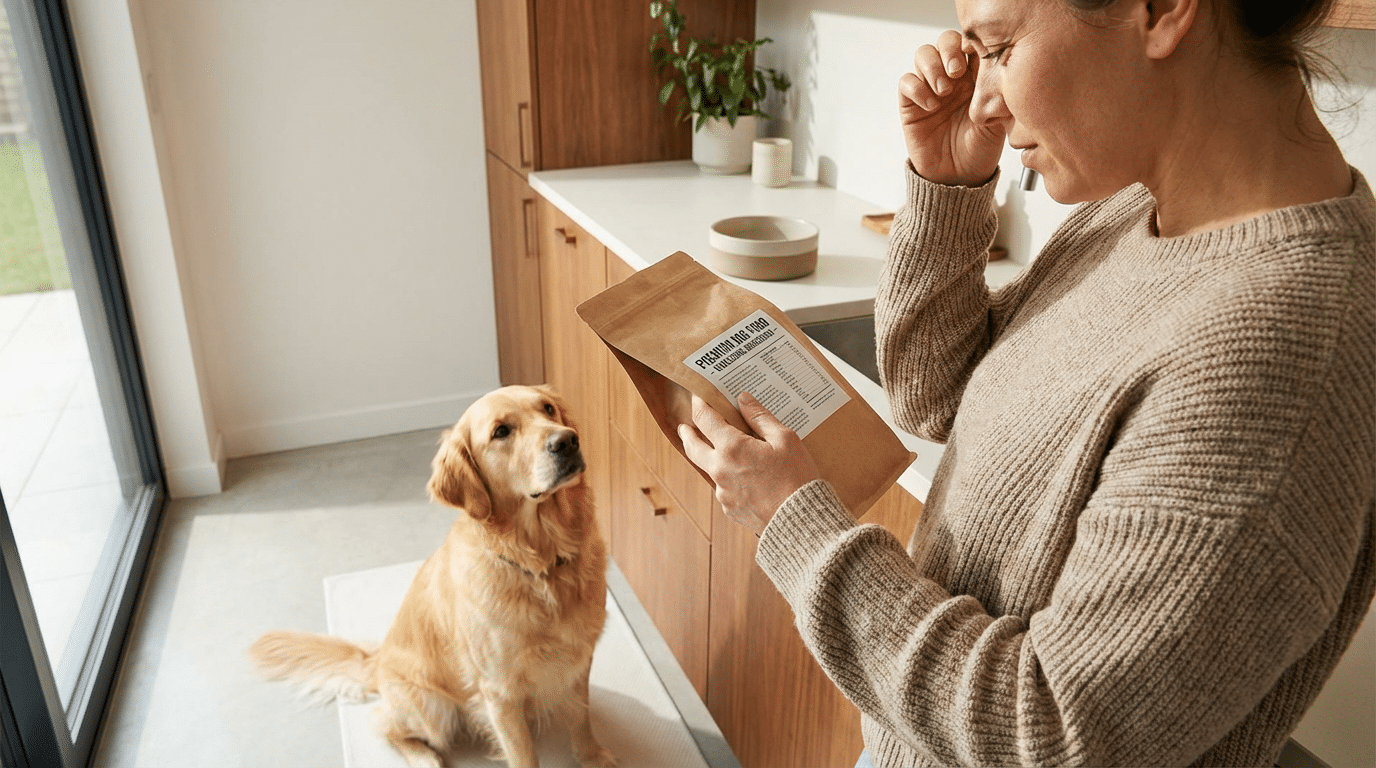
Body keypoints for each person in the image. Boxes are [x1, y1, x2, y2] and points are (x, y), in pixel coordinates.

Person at [676, 0, 1375, 765]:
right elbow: (933, 396)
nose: (983, 99)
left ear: (1163, 10)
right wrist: (947, 188)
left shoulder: (1283, 345)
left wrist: (799, 530)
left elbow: (1051, 729)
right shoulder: (1134, 209)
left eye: (1002, 48)